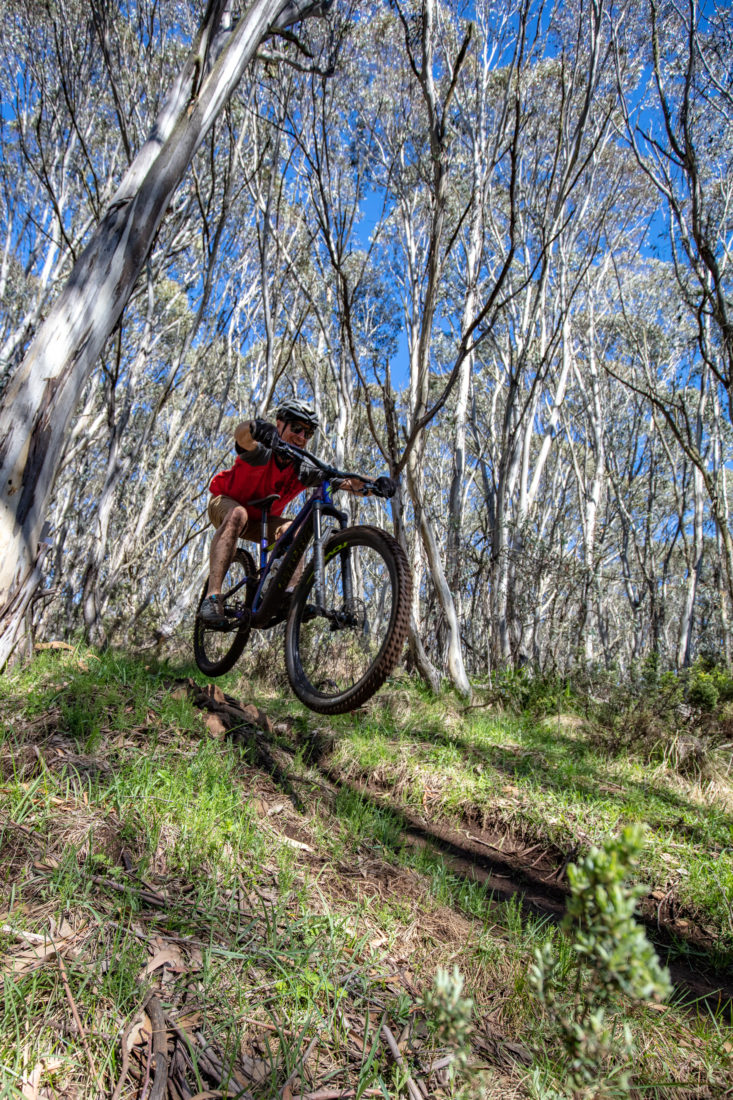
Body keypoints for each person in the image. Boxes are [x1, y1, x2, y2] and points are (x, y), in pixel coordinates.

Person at [200, 399, 367, 626]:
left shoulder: (303, 469)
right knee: (239, 514)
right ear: (280, 424)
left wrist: (376, 485)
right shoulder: (262, 451)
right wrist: (256, 428)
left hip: (261, 520)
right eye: (296, 428)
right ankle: (212, 597)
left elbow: (349, 482)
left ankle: (286, 595)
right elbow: (241, 436)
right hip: (226, 503)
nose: (301, 436)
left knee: (293, 530)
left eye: (308, 433)